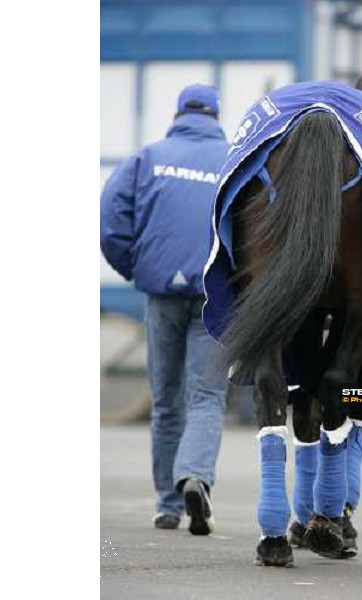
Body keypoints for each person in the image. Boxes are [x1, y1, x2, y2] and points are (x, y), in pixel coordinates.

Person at [100, 84, 229, 534]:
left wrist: (139, 269)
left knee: (165, 401)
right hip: (214, 298)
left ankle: (167, 504)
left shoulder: (147, 158)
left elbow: (111, 223)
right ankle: (194, 475)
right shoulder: (234, 160)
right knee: (207, 396)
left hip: (161, 296)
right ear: (216, 116)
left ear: (177, 115)